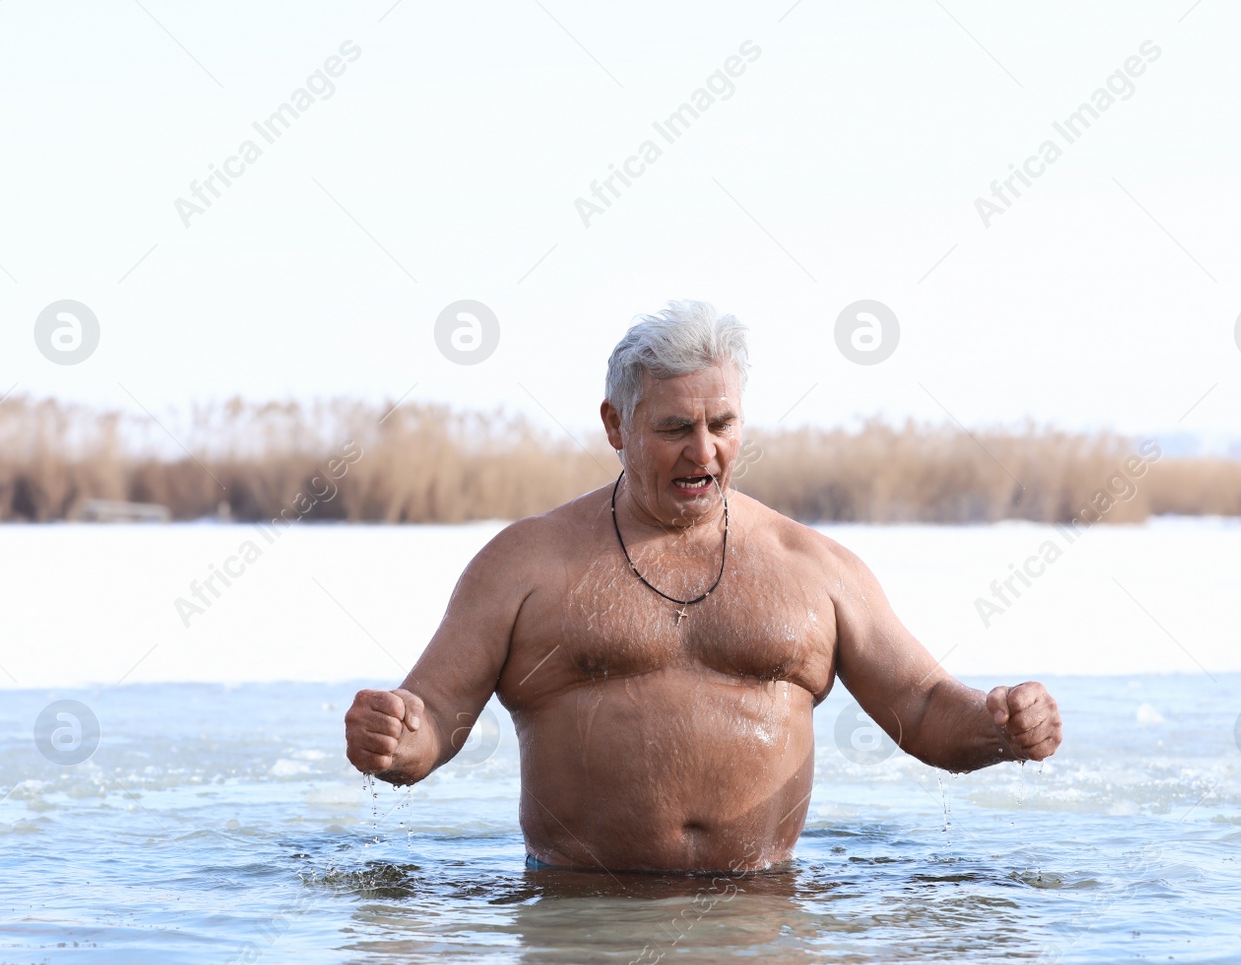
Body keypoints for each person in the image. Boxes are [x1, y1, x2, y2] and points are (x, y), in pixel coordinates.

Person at [344, 300, 1062, 873]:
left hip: (761, 921)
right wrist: (397, 736)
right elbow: (434, 716)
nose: (704, 449)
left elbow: (925, 706)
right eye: (675, 426)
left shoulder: (813, 566)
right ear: (615, 425)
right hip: (579, 921)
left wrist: (997, 725)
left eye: (722, 423)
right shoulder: (524, 564)